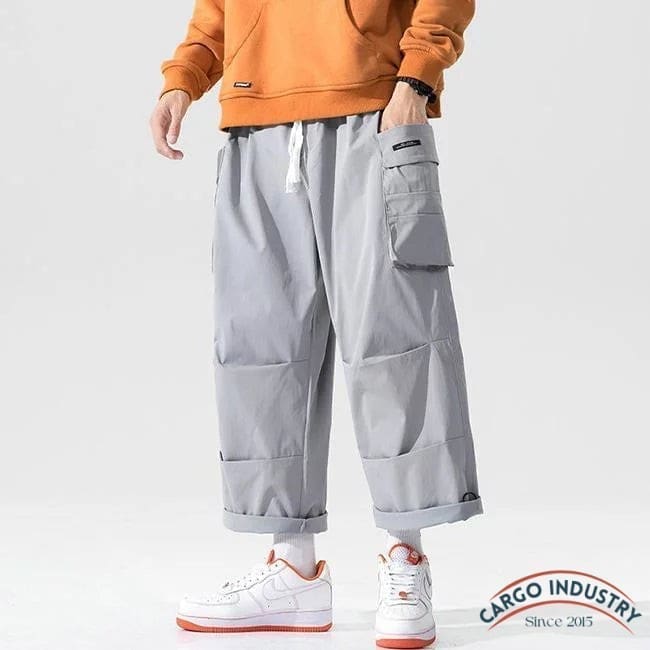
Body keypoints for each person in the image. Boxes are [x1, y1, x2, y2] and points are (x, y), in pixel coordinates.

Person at [150, 1, 482, 647]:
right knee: (261, 350)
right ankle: (292, 569)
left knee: (393, 338)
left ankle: (404, 557)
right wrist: (183, 78)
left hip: (371, 109)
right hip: (255, 124)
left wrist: (416, 81)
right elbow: (219, 10)